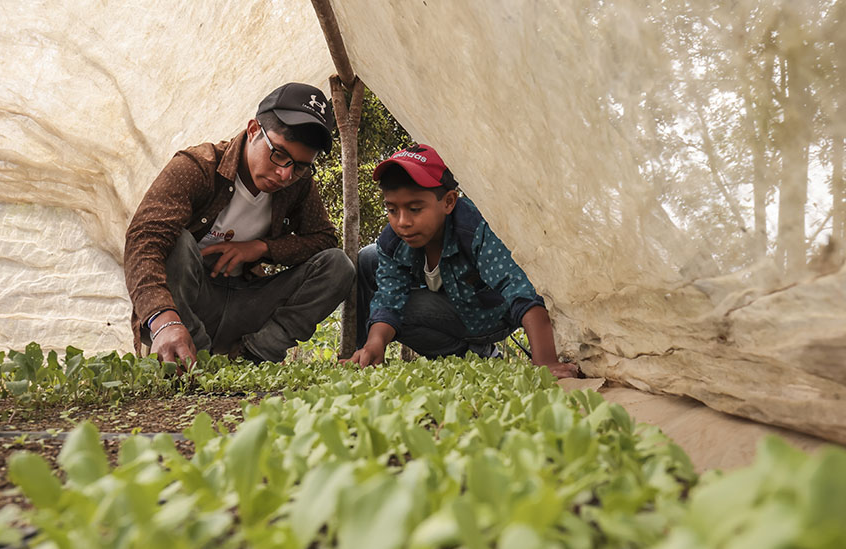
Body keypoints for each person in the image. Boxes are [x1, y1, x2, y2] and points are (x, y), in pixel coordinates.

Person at [124, 82, 355, 366]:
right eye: (279, 154)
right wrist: (164, 320)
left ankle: (253, 355)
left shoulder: (298, 184)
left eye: (299, 165)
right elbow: (144, 240)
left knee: (338, 265)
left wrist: (261, 248)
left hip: (245, 304)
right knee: (177, 242)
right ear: (253, 130)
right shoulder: (197, 167)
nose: (284, 174)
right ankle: (194, 354)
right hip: (190, 306)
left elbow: (324, 240)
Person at [348, 145, 578, 378]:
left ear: (449, 202)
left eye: (415, 209)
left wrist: (545, 361)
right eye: (392, 209)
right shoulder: (393, 241)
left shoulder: (474, 228)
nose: (403, 221)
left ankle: (480, 347)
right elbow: (389, 298)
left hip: (491, 316)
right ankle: (473, 354)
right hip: (448, 310)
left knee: (408, 306)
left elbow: (520, 289)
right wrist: (374, 343)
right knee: (374, 271)